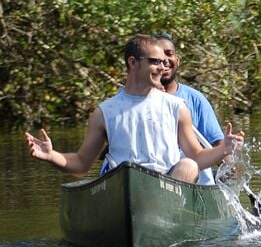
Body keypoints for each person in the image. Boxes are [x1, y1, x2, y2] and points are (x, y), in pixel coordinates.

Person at [25, 34, 243, 183]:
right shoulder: (105, 112)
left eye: (164, 61)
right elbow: (82, 164)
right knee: (127, 174)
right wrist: (51, 155)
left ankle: (165, 221)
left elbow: (196, 156)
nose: (163, 66)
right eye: (155, 61)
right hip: (124, 186)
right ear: (133, 62)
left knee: (188, 166)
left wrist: (223, 149)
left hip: (167, 190)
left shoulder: (177, 106)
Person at [154, 32, 226, 185]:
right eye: (157, 57)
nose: (164, 61)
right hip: (155, 172)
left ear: (177, 61)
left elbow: (216, 145)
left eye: (169, 54)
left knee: (190, 164)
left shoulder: (195, 99)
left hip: (192, 176)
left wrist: (230, 168)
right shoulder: (137, 98)